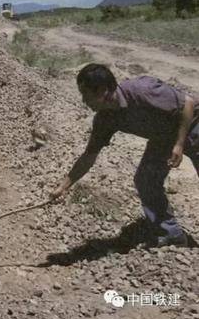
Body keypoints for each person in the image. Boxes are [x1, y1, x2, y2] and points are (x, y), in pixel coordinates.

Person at [50, 63, 199, 247]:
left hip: (192, 124)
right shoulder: (105, 119)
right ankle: (171, 234)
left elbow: (188, 104)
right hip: (163, 137)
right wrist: (64, 186)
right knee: (146, 179)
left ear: (103, 91)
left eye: (86, 95)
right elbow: (89, 156)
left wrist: (179, 143)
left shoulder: (142, 90)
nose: (83, 101)